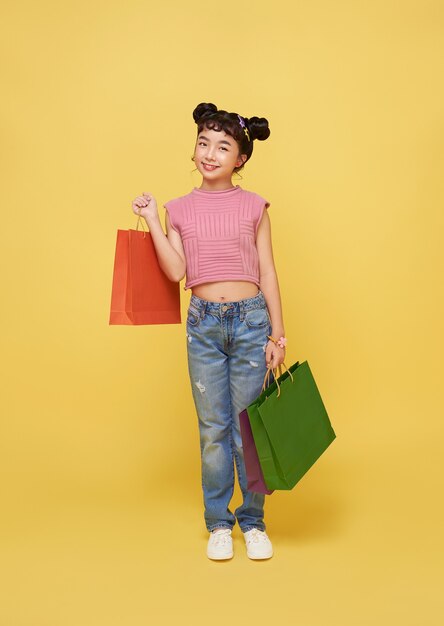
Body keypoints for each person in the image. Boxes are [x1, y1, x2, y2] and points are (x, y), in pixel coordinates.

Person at [131, 102, 286, 561]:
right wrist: (154, 221)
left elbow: (270, 273)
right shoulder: (178, 209)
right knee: (214, 429)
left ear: (240, 158)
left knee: (248, 429)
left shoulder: (255, 206)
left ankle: (253, 521)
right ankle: (219, 523)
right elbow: (177, 270)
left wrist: (278, 336)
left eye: (223, 146)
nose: (210, 153)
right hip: (203, 325)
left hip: (251, 320)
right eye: (203, 143)